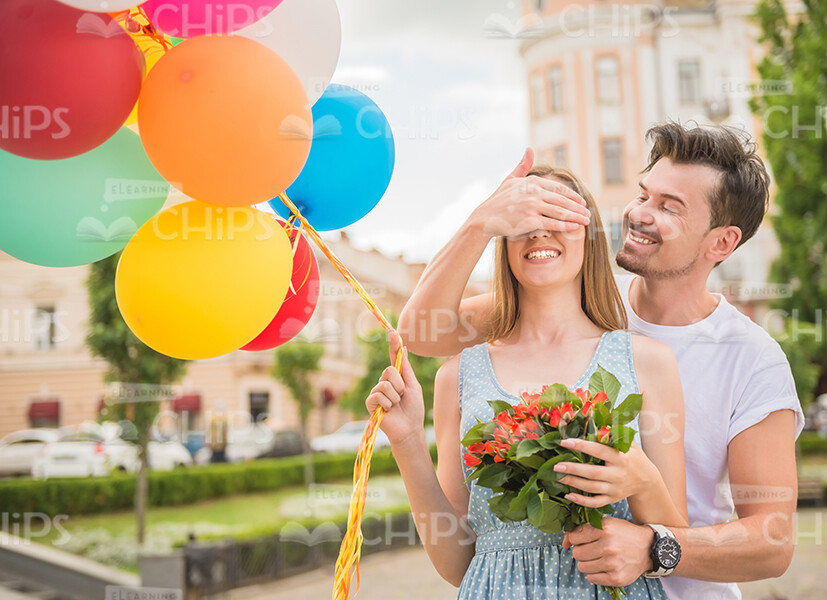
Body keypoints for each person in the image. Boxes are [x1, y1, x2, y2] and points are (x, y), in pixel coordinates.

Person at [398, 123, 805, 599]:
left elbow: (772, 543)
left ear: (721, 243)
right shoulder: (574, 298)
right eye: (644, 194)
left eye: (669, 206)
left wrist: (655, 548)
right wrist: (479, 223)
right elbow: (418, 333)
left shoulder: (752, 359)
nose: (638, 213)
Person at [367, 165, 688, 598]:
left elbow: (676, 539)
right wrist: (406, 443)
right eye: (522, 222)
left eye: (558, 218)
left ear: (590, 236)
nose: (539, 233)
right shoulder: (457, 377)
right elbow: (456, 563)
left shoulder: (647, 361)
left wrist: (641, 480)